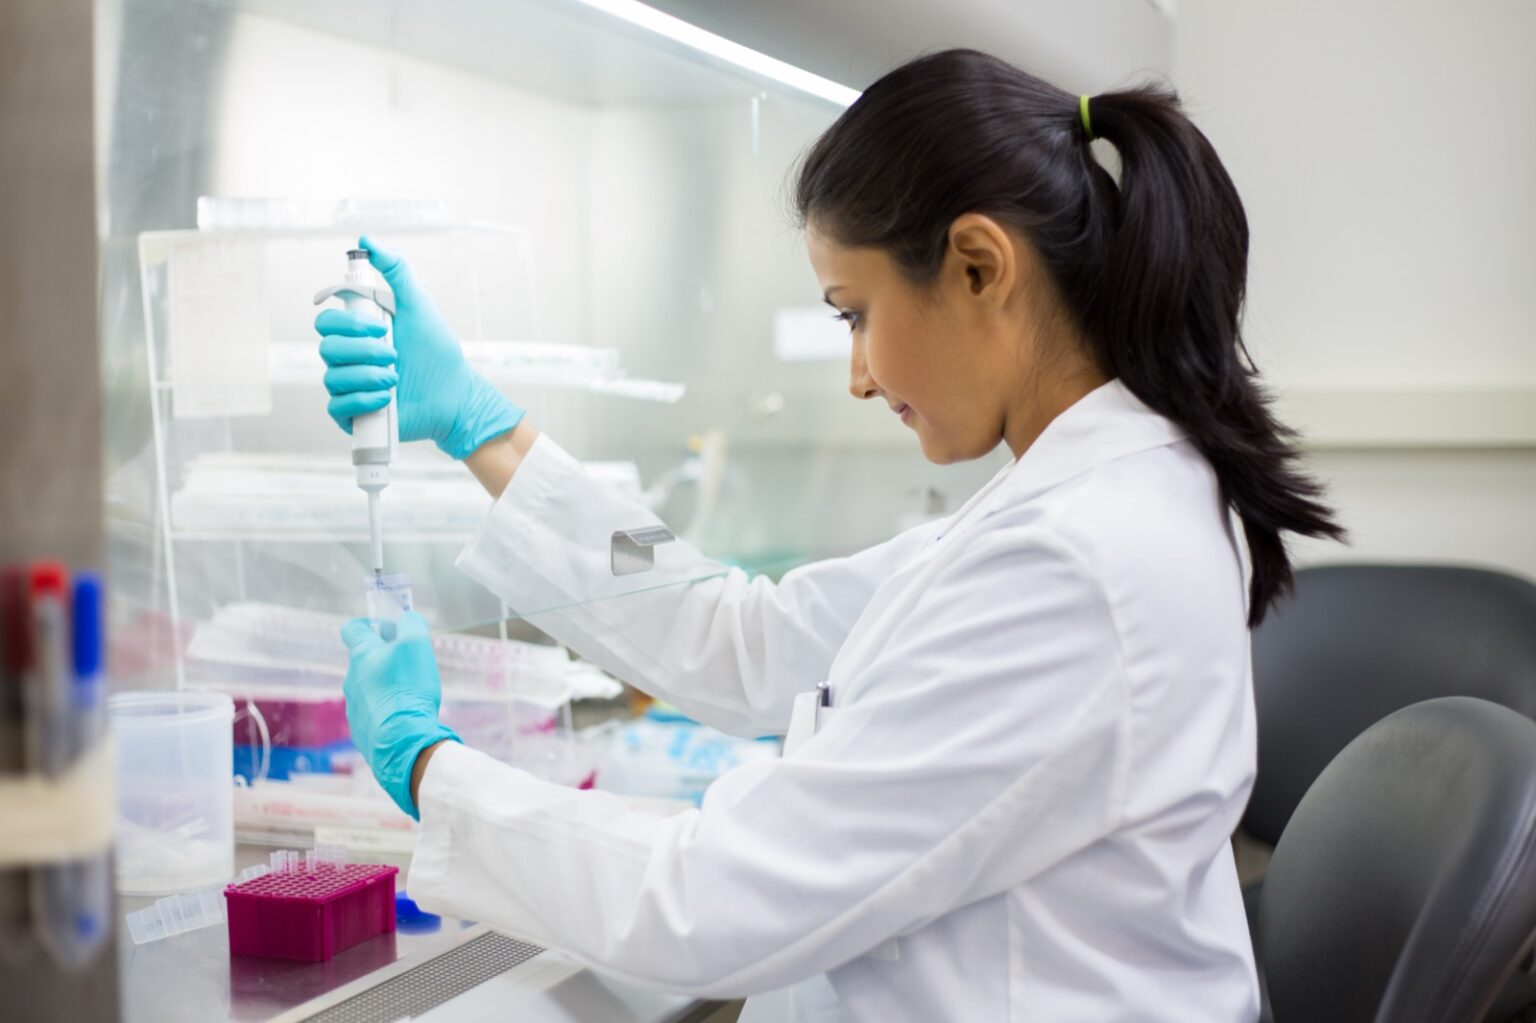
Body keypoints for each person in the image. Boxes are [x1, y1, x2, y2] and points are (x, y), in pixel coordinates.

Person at [316, 48, 1342, 1022]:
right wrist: (486, 431)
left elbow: (711, 901)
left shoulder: (1074, 560)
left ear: (978, 266)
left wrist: (426, 765)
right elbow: (748, 635)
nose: (857, 375)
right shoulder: (1080, 501)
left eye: (855, 313)